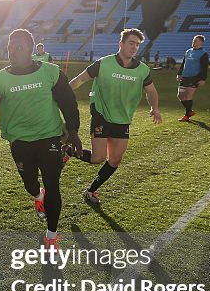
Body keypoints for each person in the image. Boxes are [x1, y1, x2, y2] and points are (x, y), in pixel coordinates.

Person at [0, 28, 82, 249]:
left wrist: (73, 132)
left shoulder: (51, 73)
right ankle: (37, 195)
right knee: (30, 184)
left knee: (53, 184)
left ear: (31, 50)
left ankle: (51, 237)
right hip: (20, 142)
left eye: (19, 47)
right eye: (10, 48)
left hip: (50, 136)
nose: (12, 52)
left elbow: (68, 103)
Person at [66, 28, 162, 208]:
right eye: (131, 43)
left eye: (137, 44)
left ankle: (90, 190)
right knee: (97, 158)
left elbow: (151, 91)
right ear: (121, 44)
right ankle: (69, 151)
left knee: (115, 160)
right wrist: (62, 94)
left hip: (123, 119)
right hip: (101, 114)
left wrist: (154, 108)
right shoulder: (104, 63)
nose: (134, 47)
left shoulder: (142, 70)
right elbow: (79, 80)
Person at [176, 35, 209, 122]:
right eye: (193, 40)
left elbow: (204, 67)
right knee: (180, 96)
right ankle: (190, 111)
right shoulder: (188, 51)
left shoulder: (203, 53)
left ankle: (186, 115)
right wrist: (179, 74)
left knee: (188, 96)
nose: (193, 42)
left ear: (201, 42)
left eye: (196, 41)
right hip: (185, 76)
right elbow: (183, 63)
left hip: (194, 77)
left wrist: (203, 79)